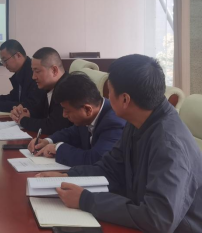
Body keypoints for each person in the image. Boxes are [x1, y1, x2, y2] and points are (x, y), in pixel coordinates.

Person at [38, 55, 202, 232]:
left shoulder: (170, 145)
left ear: (125, 99)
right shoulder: (138, 122)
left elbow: (158, 218)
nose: (105, 97)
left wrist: (86, 200)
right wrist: (67, 176)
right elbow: (110, 168)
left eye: (109, 91)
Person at [27, 72, 125, 166]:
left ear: (87, 109)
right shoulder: (88, 115)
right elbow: (72, 132)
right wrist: (48, 141)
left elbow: (95, 160)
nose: (64, 115)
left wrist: (57, 148)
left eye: (67, 110)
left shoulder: (114, 122)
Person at [11, 47, 72, 134]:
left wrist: (23, 120)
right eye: (33, 71)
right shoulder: (48, 86)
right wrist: (26, 113)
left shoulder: (67, 89)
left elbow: (53, 126)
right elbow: (40, 111)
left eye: (37, 71)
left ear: (54, 70)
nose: (33, 77)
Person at [0, 39, 38, 112]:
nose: (4, 65)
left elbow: (29, 105)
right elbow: (14, 97)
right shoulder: (20, 72)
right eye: (2, 61)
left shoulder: (34, 73)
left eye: (5, 60)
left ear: (18, 55)